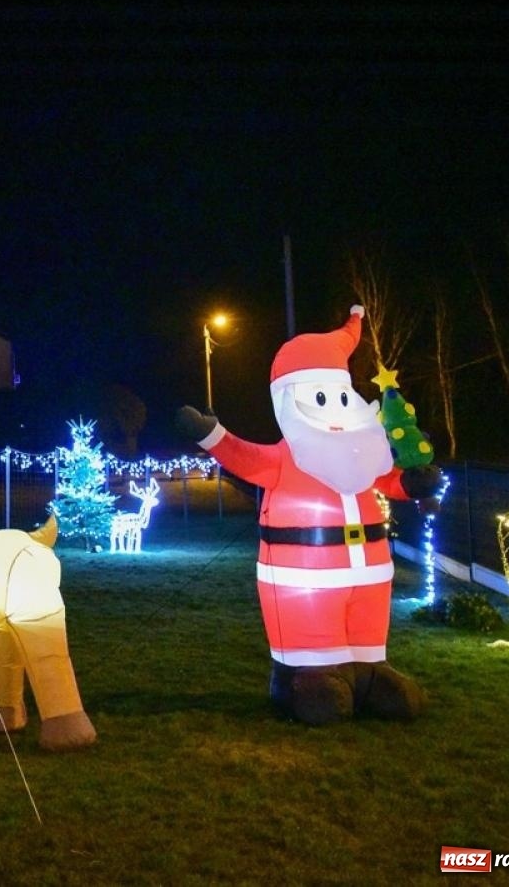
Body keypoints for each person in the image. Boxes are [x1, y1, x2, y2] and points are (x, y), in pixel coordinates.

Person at [178, 306, 442, 724]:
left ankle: (369, 673)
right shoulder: (289, 456)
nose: (337, 409)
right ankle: (306, 678)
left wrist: (414, 484)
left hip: (370, 576)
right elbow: (245, 457)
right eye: (322, 397)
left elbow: (388, 481)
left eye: (341, 397)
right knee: (313, 642)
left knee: (366, 635)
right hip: (304, 582)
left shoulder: (364, 451)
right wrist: (211, 434)